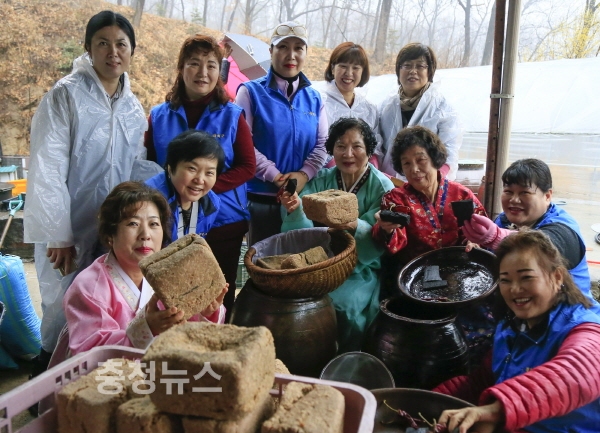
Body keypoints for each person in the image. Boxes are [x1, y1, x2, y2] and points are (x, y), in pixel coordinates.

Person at [23, 10, 160, 373]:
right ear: (88, 48)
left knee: (103, 300)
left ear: (132, 51)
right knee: (61, 303)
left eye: (121, 44)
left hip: (114, 227)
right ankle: (48, 373)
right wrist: (58, 233)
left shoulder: (132, 107)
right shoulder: (65, 95)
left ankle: (93, 372)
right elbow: (48, 165)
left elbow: (136, 166)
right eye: (103, 43)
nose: (113, 52)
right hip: (70, 224)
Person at [434, 230, 600, 433]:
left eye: (526, 277)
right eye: (505, 280)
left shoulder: (586, 328)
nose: (514, 289)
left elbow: (579, 373)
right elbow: (483, 381)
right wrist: (427, 402)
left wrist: (496, 410)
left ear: (557, 277)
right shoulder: (510, 327)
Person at [144, 35, 255, 320]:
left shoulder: (232, 115)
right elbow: (150, 164)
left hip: (224, 221)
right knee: (171, 296)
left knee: (217, 295)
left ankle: (215, 343)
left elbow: (247, 166)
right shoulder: (159, 116)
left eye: (211, 65)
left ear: (220, 72)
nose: (203, 72)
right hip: (169, 221)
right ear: (181, 68)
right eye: (194, 63)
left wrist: (203, 187)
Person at [371, 126, 491, 362]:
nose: (414, 169)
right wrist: (386, 229)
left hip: (460, 274)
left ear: (435, 159)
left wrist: (474, 241)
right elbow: (396, 242)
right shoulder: (396, 198)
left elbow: (480, 232)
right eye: (406, 164)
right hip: (414, 278)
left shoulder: (462, 195)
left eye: (421, 160)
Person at [64, 182, 227, 355]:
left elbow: (191, 335)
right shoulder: (89, 286)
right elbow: (89, 352)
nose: (145, 235)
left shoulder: (173, 275)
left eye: (154, 224)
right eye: (133, 224)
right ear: (110, 234)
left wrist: (205, 312)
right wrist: (147, 328)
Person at [280, 117, 394, 353]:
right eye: (341, 146)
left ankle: (344, 360)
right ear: (332, 149)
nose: (348, 154)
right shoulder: (322, 179)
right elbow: (303, 226)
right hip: (320, 261)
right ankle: (309, 360)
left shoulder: (383, 187)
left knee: (344, 307)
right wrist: (295, 208)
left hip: (360, 268)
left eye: (357, 146)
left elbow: (379, 238)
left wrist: (354, 224)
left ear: (369, 150)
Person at [235, 20, 328, 245]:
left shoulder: (315, 98)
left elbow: (323, 143)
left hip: (302, 200)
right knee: (263, 261)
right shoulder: (250, 92)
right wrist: (275, 176)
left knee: (301, 260)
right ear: (271, 51)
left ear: (306, 53)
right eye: (283, 47)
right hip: (261, 201)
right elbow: (242, 144)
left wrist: (304, 174)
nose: (291, 55)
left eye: (298, 48)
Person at [462, 158, 594, 299]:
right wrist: (479, 246)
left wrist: (496, 237)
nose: (514, 199)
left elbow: (542, 247)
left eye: (524, 192)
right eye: (508, 191)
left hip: (564, 307)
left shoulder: (564, 229)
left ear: (547, 196)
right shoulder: (503, 220)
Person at [377, 43, 461, 181]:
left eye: (420, 66)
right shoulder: (385, 107)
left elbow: (449, 152)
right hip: (388, 183)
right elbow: (377, 147)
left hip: (426, 183)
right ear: (398, 70)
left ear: (430, 71)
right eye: (407, 65)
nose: (413, 71)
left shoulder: (443, 109)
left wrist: (433, 180)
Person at [145, 130, 223, 243]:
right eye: (192, 168)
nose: (200, 180)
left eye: (209, 173)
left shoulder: (212, 205)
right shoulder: (146, 201)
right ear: (170, 168)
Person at [321, 42, 378, 141]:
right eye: (343, 66)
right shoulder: (320, 103)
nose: (349, 73)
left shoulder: (369, 108)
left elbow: (376, 143)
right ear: (333, 68)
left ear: (362, 72)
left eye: (355, 68)